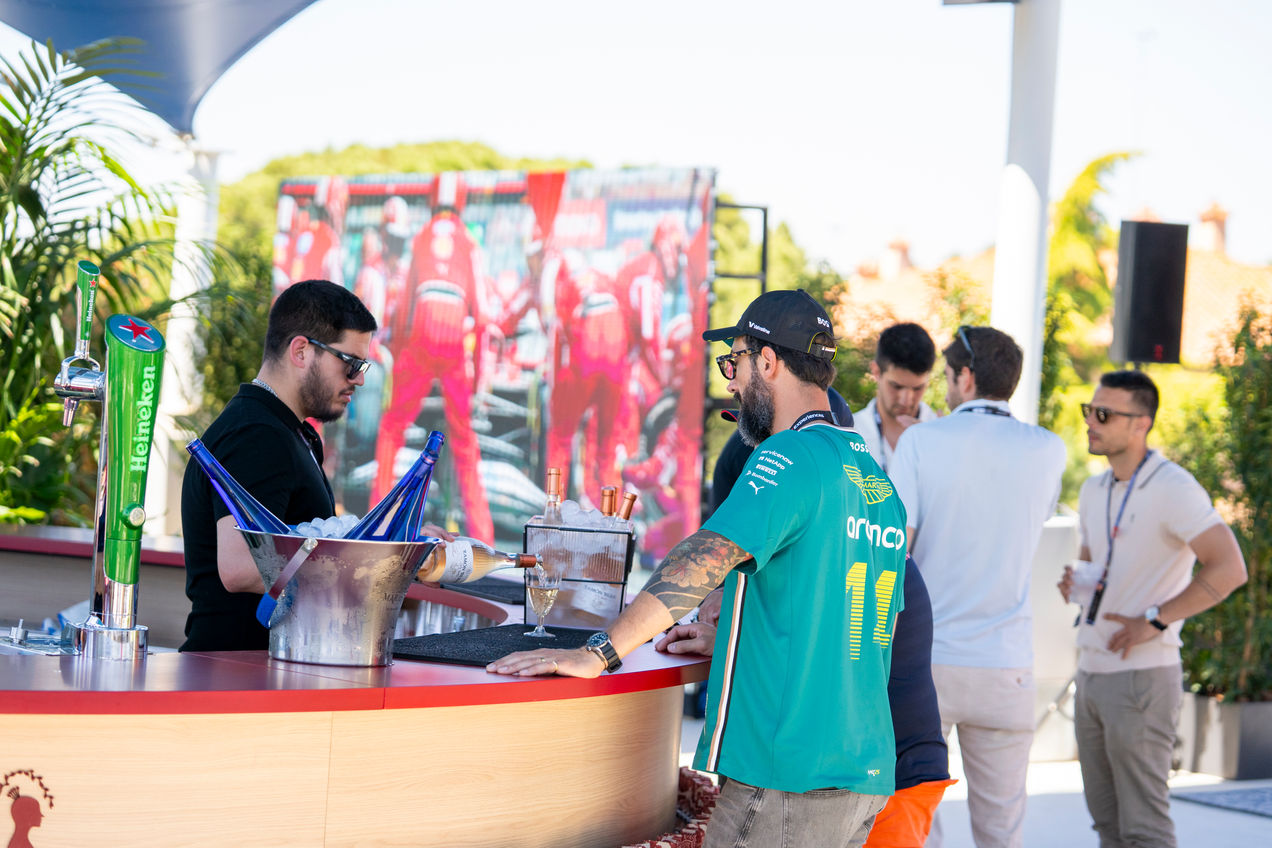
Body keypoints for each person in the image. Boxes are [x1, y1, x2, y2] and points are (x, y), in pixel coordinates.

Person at [489, 289, 906, 847]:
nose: (730, 381)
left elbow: (702, 557)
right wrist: (731, 634)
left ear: (768, 361)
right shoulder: (877, 484)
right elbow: (863, 628)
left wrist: (597, 652)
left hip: (787, 774)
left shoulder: (787, 456)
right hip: (864, 769)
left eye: (734, 361)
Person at [695, 395, 954, 848]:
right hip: (865, 771)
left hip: (885, 772)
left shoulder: (849, 547)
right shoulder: (849, 537)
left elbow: (824, 651)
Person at [180, 280, 449, 652]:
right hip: (238, 677)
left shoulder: (291, 432)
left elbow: (314, 538)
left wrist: (400, 547)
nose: (360, 378)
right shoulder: (256, 433)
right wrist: (387, 561)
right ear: (301, 351)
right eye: (350, 363)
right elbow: (241, 566)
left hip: (266, 670)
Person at [888, 325, 1066, 848]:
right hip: (1007, 665)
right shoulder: (1049, 449)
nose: (943, 386)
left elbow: (894, 553)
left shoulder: (921, 441)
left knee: (918, 824)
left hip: (928, 664)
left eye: (946, 375)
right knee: (1002, 832)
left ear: (965, 377)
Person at [1058, 370, 1246, 848]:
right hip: (1092, 671)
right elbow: (1098, 568)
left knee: (1144, 829)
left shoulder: (1173, 486)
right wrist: (1076, 584)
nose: (1091, 423)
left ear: (1140, 424)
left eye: (1104, 414)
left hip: (1142, 678)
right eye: (1089, 411)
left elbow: (1229, 568)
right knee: (1107, 825)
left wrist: (1156, 619)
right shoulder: (1094, 489)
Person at [371, 172, 495, 543]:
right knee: (465, 438)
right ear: (461, 200)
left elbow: (406, 304)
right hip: (455, 338)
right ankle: (483, 534)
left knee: (392, 426)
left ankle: (378, 519)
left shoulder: (422, 236)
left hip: (422, 335)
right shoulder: (470, 241)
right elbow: (485, 312)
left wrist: (399, 353)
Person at [852, 322, 940, 471]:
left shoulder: (941, 435)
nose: (906, 399)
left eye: (918, 388)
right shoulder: (850, 433)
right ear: (876, 371)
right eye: (897, 386)